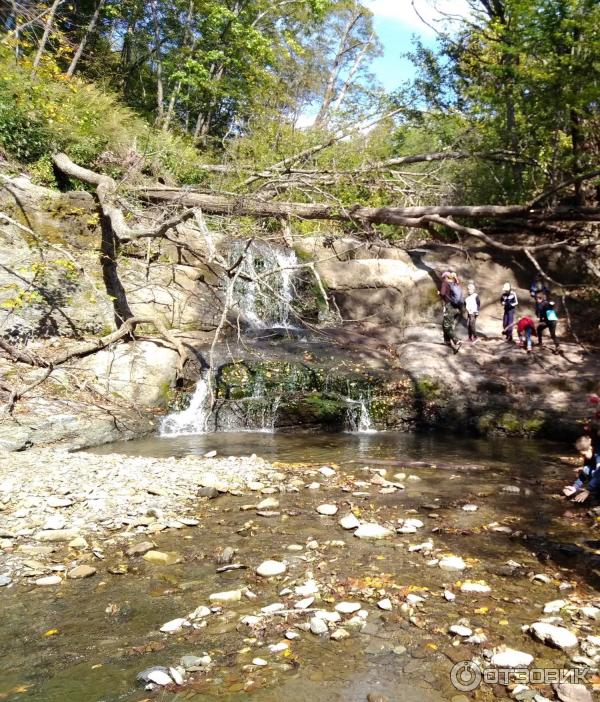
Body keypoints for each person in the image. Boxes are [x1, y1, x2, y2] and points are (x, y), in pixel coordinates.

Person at [563, 435, 600, 503]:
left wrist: (588, 490)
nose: (582, 458)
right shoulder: (588, 457)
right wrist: (575, 487)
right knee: (585, 469)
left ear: (590, 449)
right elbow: (584, 473)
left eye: (584, 455)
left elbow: (599, 473)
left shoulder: (598, 454)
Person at [439, 271, 463, 353]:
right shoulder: (455, 283)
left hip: (450, 306)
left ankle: (456, 341)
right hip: (457, 308)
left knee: (446, 326)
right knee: (446, 324)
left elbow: (442, 293)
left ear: (445, 277)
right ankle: (447, 341)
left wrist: (439, 293)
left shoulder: (445, 283)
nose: (443, 279)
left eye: (443, 277)